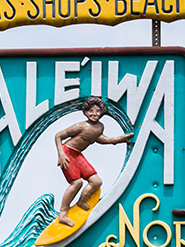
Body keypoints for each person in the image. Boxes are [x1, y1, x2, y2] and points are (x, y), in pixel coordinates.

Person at [54, 97, 133, 227]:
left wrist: (121, 139)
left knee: (96, 181)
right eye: (91, 111)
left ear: (102, 113)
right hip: (67, 152)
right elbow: (59, 135)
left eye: (97, 111)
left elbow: (103, 139)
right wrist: (61, 154)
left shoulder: (99, 127)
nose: (94, 114)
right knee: (77, 183)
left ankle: (82, 202)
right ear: (85, 112)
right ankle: (63, 214)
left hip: (77, 155)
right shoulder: (81, 126)